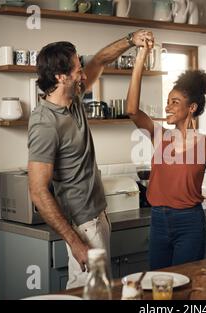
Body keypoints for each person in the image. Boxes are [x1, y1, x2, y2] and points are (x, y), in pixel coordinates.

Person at [27, 30, 154, 289]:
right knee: (90, 292)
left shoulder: (73, 99)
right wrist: (75, 242)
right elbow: (37, 191)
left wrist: (131, 40)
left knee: (97, 290)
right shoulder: (45, 123)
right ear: (61, 77)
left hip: (97, 215)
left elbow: (99, 61)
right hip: (83, 225)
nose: (83, 75)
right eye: (77, 70)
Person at [126, 41, 206, 270]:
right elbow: (132, 109)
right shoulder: (159, 136)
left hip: (190, 223)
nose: (168, 107)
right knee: (157, 287)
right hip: (158, 221)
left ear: (191, 107)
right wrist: (141, 57)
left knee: (186, 287)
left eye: (174, 102)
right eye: (167, 101)